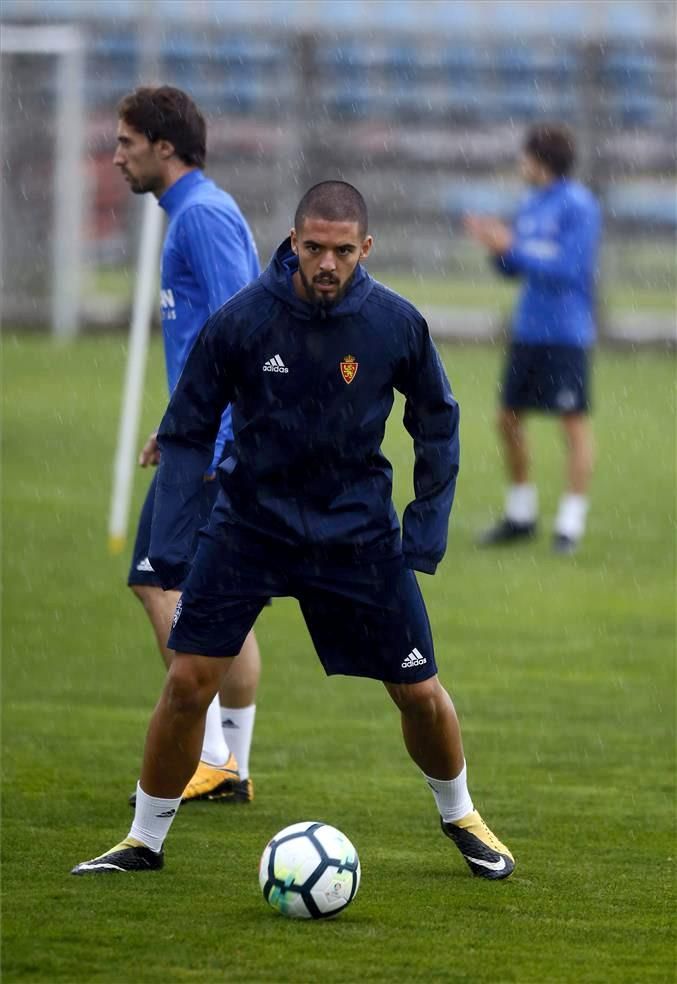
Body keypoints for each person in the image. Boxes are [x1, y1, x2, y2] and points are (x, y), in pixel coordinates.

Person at [72, 180, 514, 881]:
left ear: (365, 248)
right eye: (313, 248)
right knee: (188, 681)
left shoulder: (394, 323)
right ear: (293, 242)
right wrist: (175, 543)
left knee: (418, 690)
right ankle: (142, 841)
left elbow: (437, 420)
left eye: (342, 250)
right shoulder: (244, 321)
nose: (327, 263)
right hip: (250, 524)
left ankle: (461, 815)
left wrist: (422, 531)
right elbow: (187, 430)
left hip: (356, 533)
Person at [114, 86, 261, 803]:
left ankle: (210, 756)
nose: (116, 158)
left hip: (214, 445)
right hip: (198, 436)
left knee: (160, 582)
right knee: (218, 599)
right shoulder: (192, 213)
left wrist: (218, 440)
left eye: (125, 143)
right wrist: (174, 425)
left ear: (162, 147)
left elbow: (242, 328)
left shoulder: (202, 216)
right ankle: (228, 763)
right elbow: (209, 344)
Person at [465, 123, 601, 554]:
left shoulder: (579, 205)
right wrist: (496, 247)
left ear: (541, 161)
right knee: (507, 419)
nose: (520, 165)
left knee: (572, 425)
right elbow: (516, 267)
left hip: (565, 333)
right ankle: (521, 515)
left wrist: (514, 247)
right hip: (529, 330)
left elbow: (568, 270)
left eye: (525, 157)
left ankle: (569, 524)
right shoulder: (531, 203)